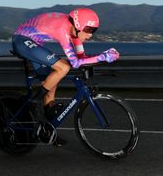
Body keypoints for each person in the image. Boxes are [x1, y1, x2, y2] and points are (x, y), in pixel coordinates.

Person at [12, 8, 120, 145]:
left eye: (93, 30)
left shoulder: (74, 31)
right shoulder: (62, 29)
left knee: (53, 80)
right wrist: (103, 57)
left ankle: (48, 130)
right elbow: (75, 63)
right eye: (88, 29)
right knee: (63, 67)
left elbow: (82, 58)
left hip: (35, 44)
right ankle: (34, 101)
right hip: (22, 41)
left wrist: (100, 59)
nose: (90, 35)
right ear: (78, 25)